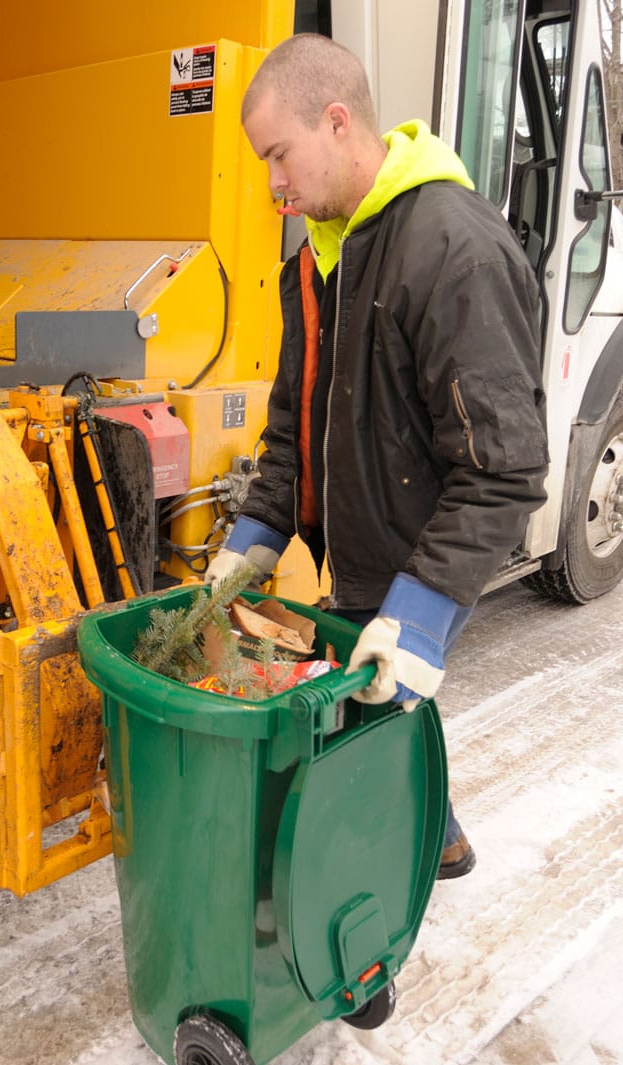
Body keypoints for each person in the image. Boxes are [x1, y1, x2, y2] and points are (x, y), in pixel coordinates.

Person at [205, 34, 550, 880]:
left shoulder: (453, 250)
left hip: (419, 554)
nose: (272, 183)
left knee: (358, 741)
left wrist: (423, 615)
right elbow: (294, 427)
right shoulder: (318, 259)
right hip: (359, 553)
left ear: (335, 122)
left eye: (278, 155)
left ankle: (366, 929)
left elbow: (503, 465)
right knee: (372, 721)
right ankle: (439, 836)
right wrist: (252, 535)